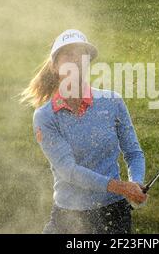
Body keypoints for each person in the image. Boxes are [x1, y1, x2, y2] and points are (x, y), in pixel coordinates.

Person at [20, 29, 147, 234]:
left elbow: (133, 153)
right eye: (68, 55)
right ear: (54, 66)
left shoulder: (112, 102)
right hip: (69, 215)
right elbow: (69, 170)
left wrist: (136, 184)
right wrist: (121, 187)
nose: (76, 61)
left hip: (113, 214)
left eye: (81, 55)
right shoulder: (46, 116)